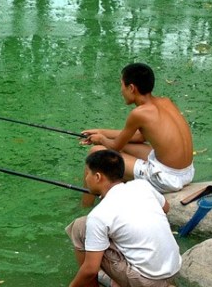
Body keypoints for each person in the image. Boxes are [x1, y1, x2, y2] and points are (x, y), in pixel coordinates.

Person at [58, 149, 182, 287]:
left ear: (98, 177)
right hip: (173, 270)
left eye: (87, 174)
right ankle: (116, 283)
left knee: (79, 227)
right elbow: (165, 207)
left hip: (147, 281)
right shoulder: (142, 185)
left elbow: (91, 269)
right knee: (115, 231)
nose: (86, 179)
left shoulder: (100, 214)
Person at [80, 62, 194, 207]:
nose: (121, 90)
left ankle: (85, 208)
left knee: (96, 153)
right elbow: (140, 137)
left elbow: (115, 147)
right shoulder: (165, 102)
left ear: (131, 88)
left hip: (167, 178)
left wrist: (101, 139)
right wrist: (102, 132)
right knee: (124, 147)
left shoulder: (139, 113)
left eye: (122, 85)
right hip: (186, 172)